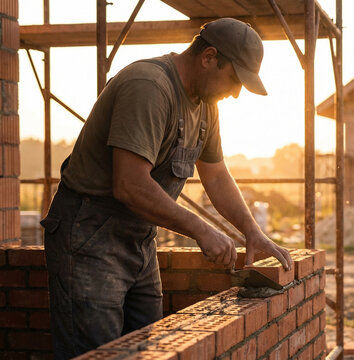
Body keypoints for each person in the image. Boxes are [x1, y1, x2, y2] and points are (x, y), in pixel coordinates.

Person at [39, 18, 293, 359]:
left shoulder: (205, 104)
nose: (235, 93)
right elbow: (130, 185)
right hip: (89, 237)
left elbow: (216, 175)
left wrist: (251, 231)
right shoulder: (149, 87)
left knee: (149, 349)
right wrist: (203, 231)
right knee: (97, 353)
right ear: (208, 57)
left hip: (138, 238)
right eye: (234, 79)